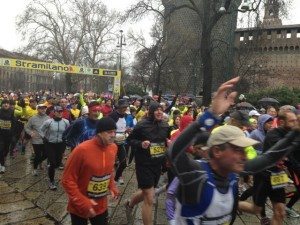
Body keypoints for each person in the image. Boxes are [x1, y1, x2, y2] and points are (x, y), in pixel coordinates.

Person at [168, 77, 300, 224]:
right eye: (237, 149)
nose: (243, 155)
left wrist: (295, 133)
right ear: (217, 151)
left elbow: (269, 158)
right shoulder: (196, 174)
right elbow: (174, 152)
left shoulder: (232, 172)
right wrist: (209, 116)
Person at [61, 117, 119, 225]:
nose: (113, 135)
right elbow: (67, 180)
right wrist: (83, 202)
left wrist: (112, 186)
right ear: (99, 133)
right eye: (109, 132)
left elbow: (109, 170)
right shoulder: (81, 150)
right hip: (79, 205)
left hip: (100, 204)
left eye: (115, 132)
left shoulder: (113, 148)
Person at [125, 101, 170, 225]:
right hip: (143, 164)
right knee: (150, 197)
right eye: (157, 109)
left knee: (147, 191)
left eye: (161, 109)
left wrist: (168, 146)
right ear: (151, 112)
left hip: (157, 164)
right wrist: (141, 144)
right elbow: (129, 140)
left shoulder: (166, 126)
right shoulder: (141, 125)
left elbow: (165, 143)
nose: (160, 111)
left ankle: (130, 203)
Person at [41, 106, 69, 190]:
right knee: (52, 163)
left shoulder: (66, 122)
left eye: (61, 111)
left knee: (57, 163)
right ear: (54, 112)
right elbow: (41, 130)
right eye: (58, 111)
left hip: (61, 144)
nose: (60, 113)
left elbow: (68, 131)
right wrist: (44, 138)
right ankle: (51, 181)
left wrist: (67, 139)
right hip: (50, 144)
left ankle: (50, 166)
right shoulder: (48, 122)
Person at [24, 103, 50, 176]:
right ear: (37, 109)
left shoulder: (48, 118)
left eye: (44, 108)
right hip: (36, 140)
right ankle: (34, 169)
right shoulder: (33, 118)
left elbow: (50, 128)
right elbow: (26, 127)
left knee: (46, 154)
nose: (43, 109)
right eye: (41, 108)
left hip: (45, 140)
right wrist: (31, 133)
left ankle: (38, 162)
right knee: (38, 155)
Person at [0, 99, 16, 173]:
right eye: (4, 103)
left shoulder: (11, 112)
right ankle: (2, 165)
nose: (6, 104)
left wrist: (13, 135)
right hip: (1, 135)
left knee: (6, 150)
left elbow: (13, 123)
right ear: (2, 104)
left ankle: (3, 158)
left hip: (8, 135)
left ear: (9, 105)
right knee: (1, 149)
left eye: (7, 103)